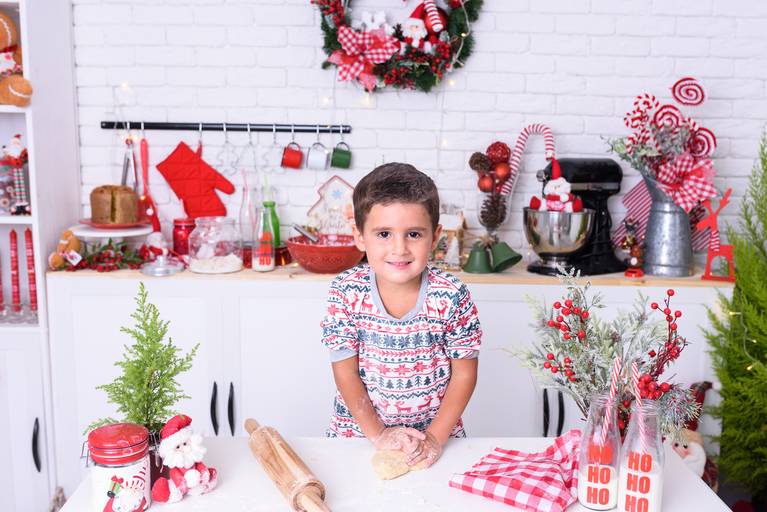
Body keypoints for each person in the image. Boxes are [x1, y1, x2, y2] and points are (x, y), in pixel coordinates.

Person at [321, 163, 482, 469]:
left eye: (413, 234)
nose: (399, 248)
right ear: (359, 236)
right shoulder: (346, 291)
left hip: (436, 440)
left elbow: (464, 375)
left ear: (434, 237)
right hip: (358, 435)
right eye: (384, 234)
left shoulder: (452, 295)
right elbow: (345, 372)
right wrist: (379, 434)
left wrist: (434, 438)